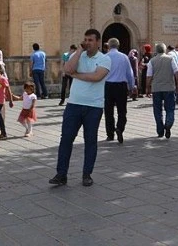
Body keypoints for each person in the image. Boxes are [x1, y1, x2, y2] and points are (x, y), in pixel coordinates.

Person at [49, 29, 111, 187]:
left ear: (98, 42)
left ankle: (87, 174)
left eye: (90, 40)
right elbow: (67, 70)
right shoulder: (77, 56)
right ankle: (61, 174)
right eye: (85, 40)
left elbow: (97, 77)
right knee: (66, 139)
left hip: (94, 106)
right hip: (74, 104)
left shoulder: (105, 59)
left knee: (90, 140)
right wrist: (78, 52)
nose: (87, 43)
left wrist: (77, 75)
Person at [146, 43, 178, 139]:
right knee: (170, 108)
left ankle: (160, 130)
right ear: (165, 50)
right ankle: (168, 124)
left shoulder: (152, 61)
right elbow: (177, 72)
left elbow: (149, 76)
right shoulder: (170, 59)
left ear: (156, 51)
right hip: (169, 87)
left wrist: (147, 88)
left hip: (156, 88)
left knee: (157, 110)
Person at [104, 38, 136, 143]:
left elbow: (101, 73)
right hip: (121, 86)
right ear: (118, 46)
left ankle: (110, 134)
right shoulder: (124, 57)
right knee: (122, 110)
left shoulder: (105, 57)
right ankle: (120, 128)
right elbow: (129, 73)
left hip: (108, 86)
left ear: (108, 46)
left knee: (109, 111)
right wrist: (132, 86)